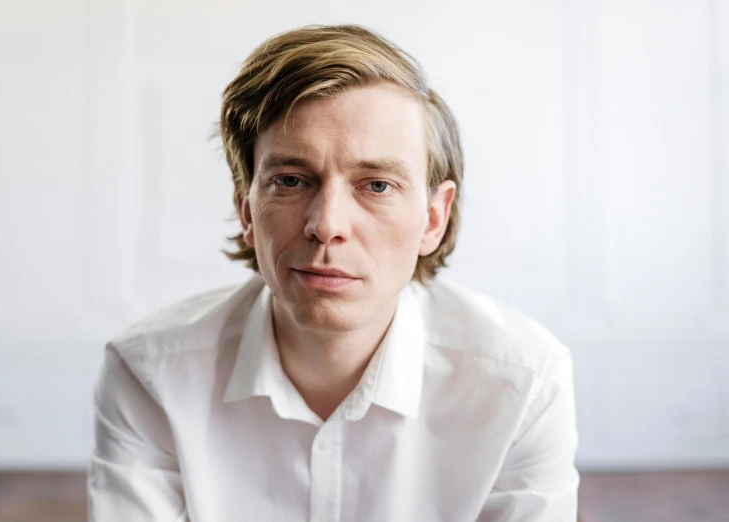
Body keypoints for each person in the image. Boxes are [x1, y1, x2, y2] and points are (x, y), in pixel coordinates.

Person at [87, 24, 579, 521]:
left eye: (377, 185)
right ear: (246, 211)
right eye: (291, 180)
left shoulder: (523, 383)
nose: (326, 225)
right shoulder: (151, 374)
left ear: (433, 218)